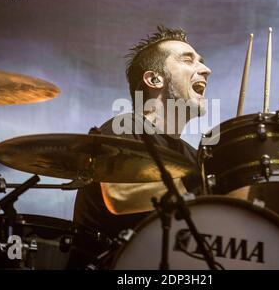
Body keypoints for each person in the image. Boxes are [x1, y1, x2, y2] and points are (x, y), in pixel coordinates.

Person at [73, 26, 212, 241]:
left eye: (201, 60)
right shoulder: (122, 130)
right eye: (188, 60)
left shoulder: (193, 156)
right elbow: (120, 198)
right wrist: (205, 194)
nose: (205, 69)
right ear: (154, 80)